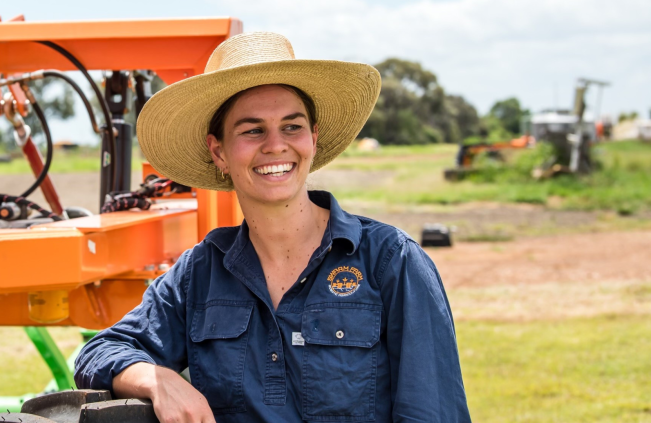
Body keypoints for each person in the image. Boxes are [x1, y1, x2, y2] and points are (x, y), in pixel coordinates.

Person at [75, 31, 471, 423]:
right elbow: (99, 352)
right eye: (252, 130)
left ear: (313, 140)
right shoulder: (201, 273)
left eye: (292, 127)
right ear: (219, 152)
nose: (276, 145)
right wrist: (157, 378)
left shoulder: (390, 261)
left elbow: (433, 412)